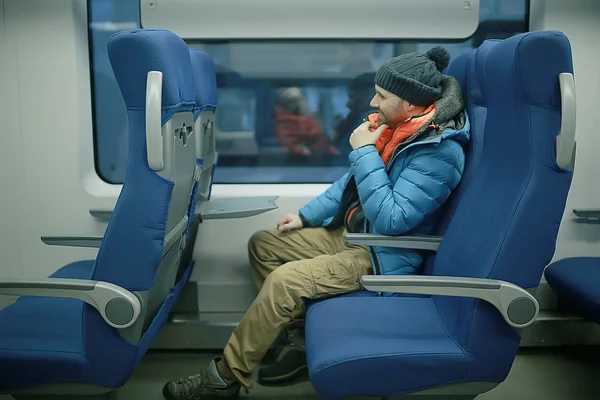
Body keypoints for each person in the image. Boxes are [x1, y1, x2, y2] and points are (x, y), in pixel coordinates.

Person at [162, 45, 470, 400]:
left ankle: (224, 378)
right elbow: (351, 184)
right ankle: (298, 341)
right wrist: (307, 215)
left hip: (383, 256)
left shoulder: (438, 152)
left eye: (383, 96)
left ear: (413, 103)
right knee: (265, 244)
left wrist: (365, 152)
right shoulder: (401, 130)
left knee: (284, 281)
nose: (372, 102)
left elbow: (392, 220)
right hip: (358, 234)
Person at [273, 87, 339, 156]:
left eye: (300, 100)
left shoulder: (307, 121)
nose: (300, 103)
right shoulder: (284, 123)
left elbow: (321, 143)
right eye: (295, 101)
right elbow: (289, 144)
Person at [330, 72, 376, 155]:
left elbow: (346, 154)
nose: (348, 104)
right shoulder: (352, 120)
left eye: (352, 96)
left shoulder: (370, 120)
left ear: (369, 95)